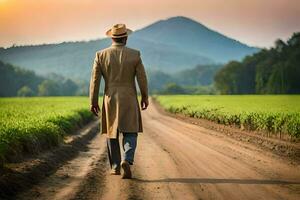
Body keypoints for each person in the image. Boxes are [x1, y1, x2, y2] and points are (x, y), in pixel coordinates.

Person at [89, 24, 149, 179]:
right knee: (130, 131)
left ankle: (115, 167)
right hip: (129, 97)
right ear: (125, 38)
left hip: (110, 97)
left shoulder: (100, 55)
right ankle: (127, 161)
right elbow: (142, 78)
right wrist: (144, 97)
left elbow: (95, 81)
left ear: (112, 38)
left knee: (112, 133)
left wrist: (93, 101)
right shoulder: (135, 55)